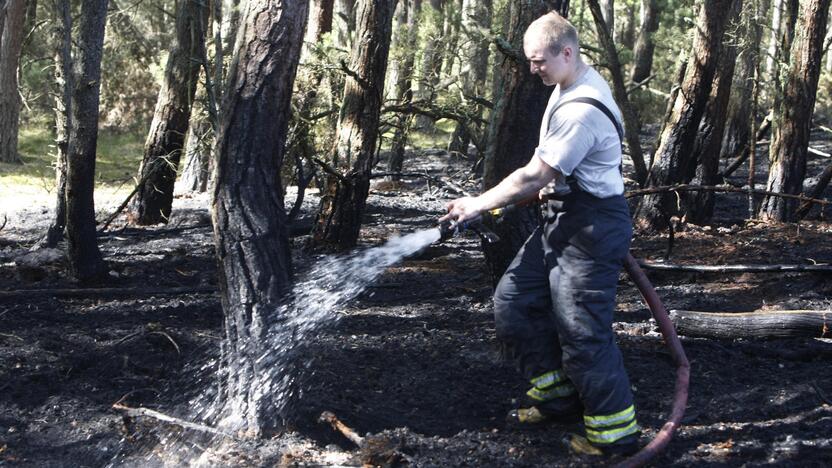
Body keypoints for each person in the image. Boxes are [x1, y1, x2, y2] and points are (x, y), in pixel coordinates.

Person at [439, 11, 639, 456]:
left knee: (582, 330)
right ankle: (556, 395)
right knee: (514, 300)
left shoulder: (582, 108)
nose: (532, 70)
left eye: (537, 61)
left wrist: (477, 203)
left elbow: (534, 175)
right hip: (563, 219)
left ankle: (615, 433)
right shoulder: (567, 83)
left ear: (566, 53)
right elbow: (547, 171)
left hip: (591, 227)